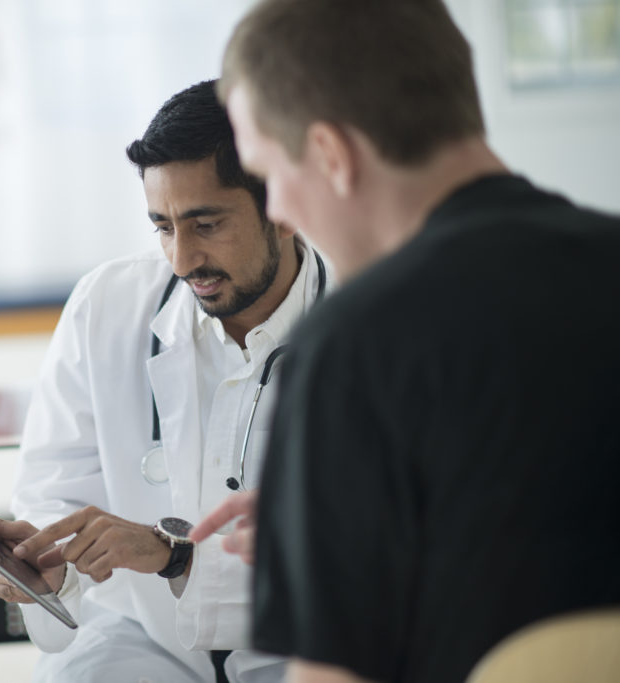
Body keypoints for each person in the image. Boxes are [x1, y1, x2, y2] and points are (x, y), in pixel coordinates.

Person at [192, 1, 620, 683]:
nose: (277, 210)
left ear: (331, 154)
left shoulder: (349, 348)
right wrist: (344, 501)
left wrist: (331, 519)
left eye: (270, 176)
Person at [0, 79, 326, 682]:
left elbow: (368, 567)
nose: (183, 260)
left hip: (309, 647)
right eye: (163, 227)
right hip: (147, 639)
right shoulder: (107, 305)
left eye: (206, 224)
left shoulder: (376, 331)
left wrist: (175, 558)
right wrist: (54, 560)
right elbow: (56, 485)